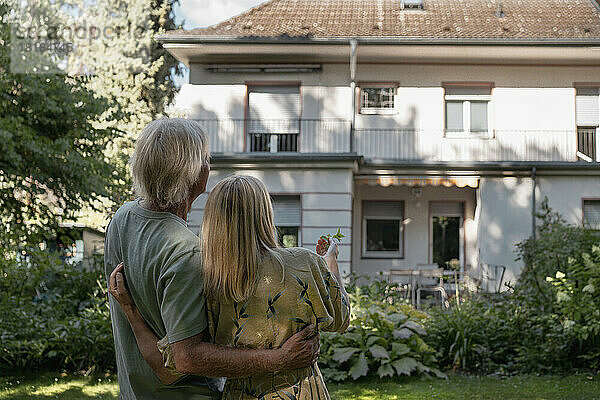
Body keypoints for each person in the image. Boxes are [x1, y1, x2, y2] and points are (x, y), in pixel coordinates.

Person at [104, 119, 320, 400]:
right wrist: (280, 359)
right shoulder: (186, 251)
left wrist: (131, 311)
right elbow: (185, 359)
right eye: (205, 159)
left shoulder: (121, 219)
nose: (209, 166)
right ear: (192, 173)